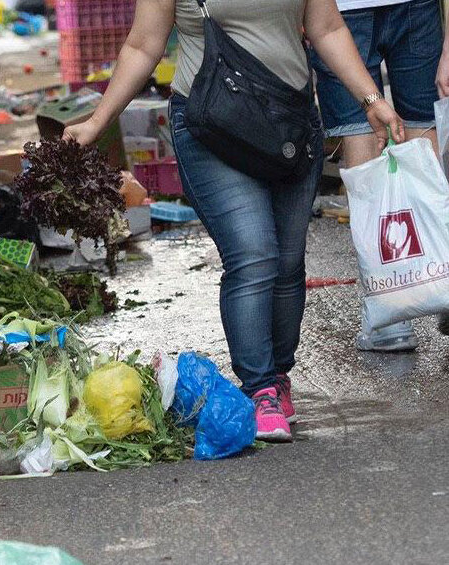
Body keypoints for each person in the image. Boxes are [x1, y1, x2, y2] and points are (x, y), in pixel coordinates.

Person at [64, 0, 405, 442]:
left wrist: (372, 100)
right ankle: (259, 388)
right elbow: (143, 45)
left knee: (287, 263)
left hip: (288, 123)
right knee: (253, 254)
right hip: (212, 124)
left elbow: (327, 28)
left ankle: (278, 376)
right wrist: (96, 122)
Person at [310, 0, 449, 351]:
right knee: (421, 133)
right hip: (416, 8)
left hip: (338, 10)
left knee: (362, 134)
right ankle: (442, 280)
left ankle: (390, 316)